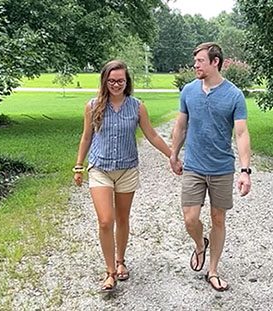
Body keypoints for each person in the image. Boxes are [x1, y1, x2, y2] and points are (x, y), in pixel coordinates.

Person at [73, 60, 172, 292]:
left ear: (127, 82)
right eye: (111, 80)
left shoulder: (137, 106)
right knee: (106, 220)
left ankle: (120, 261)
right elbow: (86, 137)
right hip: (100, 169)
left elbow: (152, 135)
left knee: (122, 218)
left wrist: (172, 156)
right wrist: (78, 166)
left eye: (120, 80)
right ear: (104, 81)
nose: (116, 84)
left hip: (127, 169)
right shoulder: (93, 106)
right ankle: (109, 273)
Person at [169, 42, 252, 292]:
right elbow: (181, 125)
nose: (195, 65)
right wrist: (173, 154)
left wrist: (245, 171)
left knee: (218, 218)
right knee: (190, 218)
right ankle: (199, 244)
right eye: (195, 61)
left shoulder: (234, 95)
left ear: (215, 62)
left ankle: (213, 270)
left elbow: (241, 134)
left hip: (221, 168)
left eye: (200, 61)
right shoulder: (189, 91)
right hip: (194, 166)